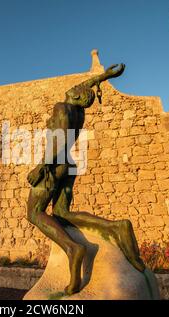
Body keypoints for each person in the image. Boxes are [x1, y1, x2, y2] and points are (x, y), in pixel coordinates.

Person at [26, 63, 145, 295]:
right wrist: (104, 76)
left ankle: (72, 249)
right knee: (62, 214)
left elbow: (59, 140)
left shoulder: (62, 108)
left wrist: (42, 166)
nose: (71, 89)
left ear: (77, 96)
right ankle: (116, 227)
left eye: (75, 89)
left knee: (33, 213)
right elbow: (83, 88)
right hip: (69, 164)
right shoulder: (79, 111)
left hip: (55, 164)